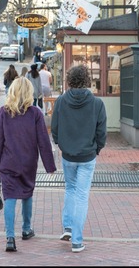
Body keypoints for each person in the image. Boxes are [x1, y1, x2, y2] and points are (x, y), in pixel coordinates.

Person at [0, 77, 57, 253]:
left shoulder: (3, 112)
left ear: (12, 91)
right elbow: (43, 141)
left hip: (8, 162)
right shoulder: (35, 113)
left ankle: (10, 237)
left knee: (10, 197)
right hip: (28, 163)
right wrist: (50, 166)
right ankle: (26, 229)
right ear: (29, 93)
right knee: (27, 194)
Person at [50, 64, 107, 253]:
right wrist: (97, 148)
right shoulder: (97, 104)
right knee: (82, 195)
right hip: (88, 155)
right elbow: (101, 132)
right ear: (87, 80)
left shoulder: (60, 101)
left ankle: (67, 228)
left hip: (68, 155)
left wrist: (61, 144)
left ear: (69, 80)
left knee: (70, 189)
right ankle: (77, 240)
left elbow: (55, 128)